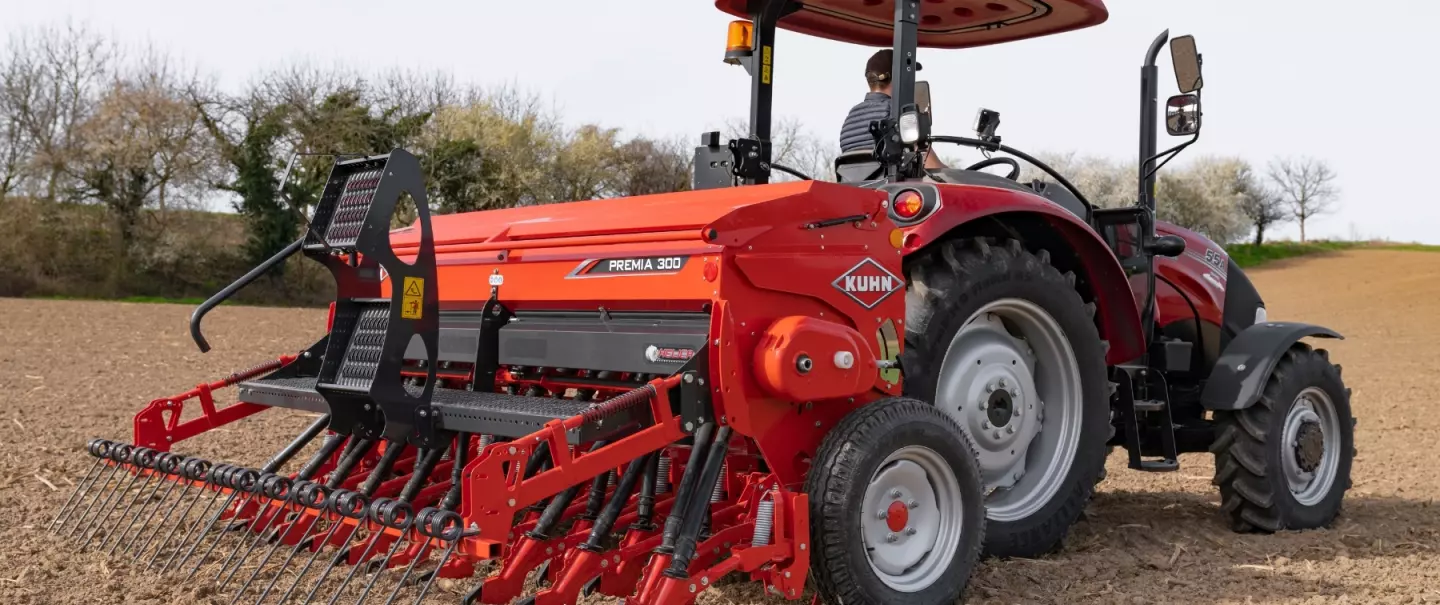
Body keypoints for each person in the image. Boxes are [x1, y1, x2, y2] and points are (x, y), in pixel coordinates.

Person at [839, 48, 947, 170]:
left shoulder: (850, 119)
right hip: (892, 188)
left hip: (855, 188)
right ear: (898, 77)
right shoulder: (900, 114)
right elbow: (933, 167)